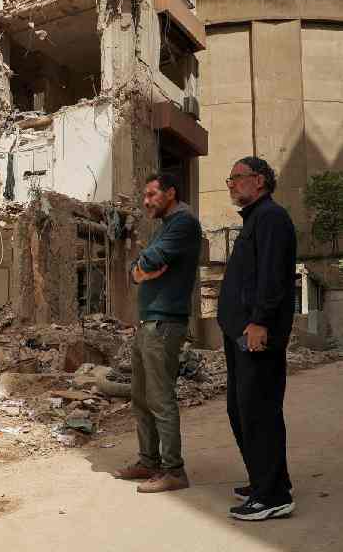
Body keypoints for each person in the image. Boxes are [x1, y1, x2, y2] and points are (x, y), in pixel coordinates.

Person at [218, 157, 296, 521]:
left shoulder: (271, 218)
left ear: (259, 181)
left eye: (237, 178)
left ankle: (273, 496)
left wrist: (260, 322)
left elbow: (272, 276)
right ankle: (266, 479)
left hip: (256, 334)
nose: (230, 184)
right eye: (230, 179)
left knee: (258, 411)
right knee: (242, 409)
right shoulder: (256, 219)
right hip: (241, 334)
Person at [113, 173, 202, 493]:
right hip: (149, 323)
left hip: (164, 324)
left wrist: (142, 266)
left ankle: (173, 470)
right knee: (141, 397)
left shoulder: (183, 223)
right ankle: (148, 461)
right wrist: (139, 270)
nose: (147, 201)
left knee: (160, 398)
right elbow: (137, 268)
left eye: (152, 194)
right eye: (145, 196)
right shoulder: (167, 227)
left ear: (170, 193)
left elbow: (151, 258)